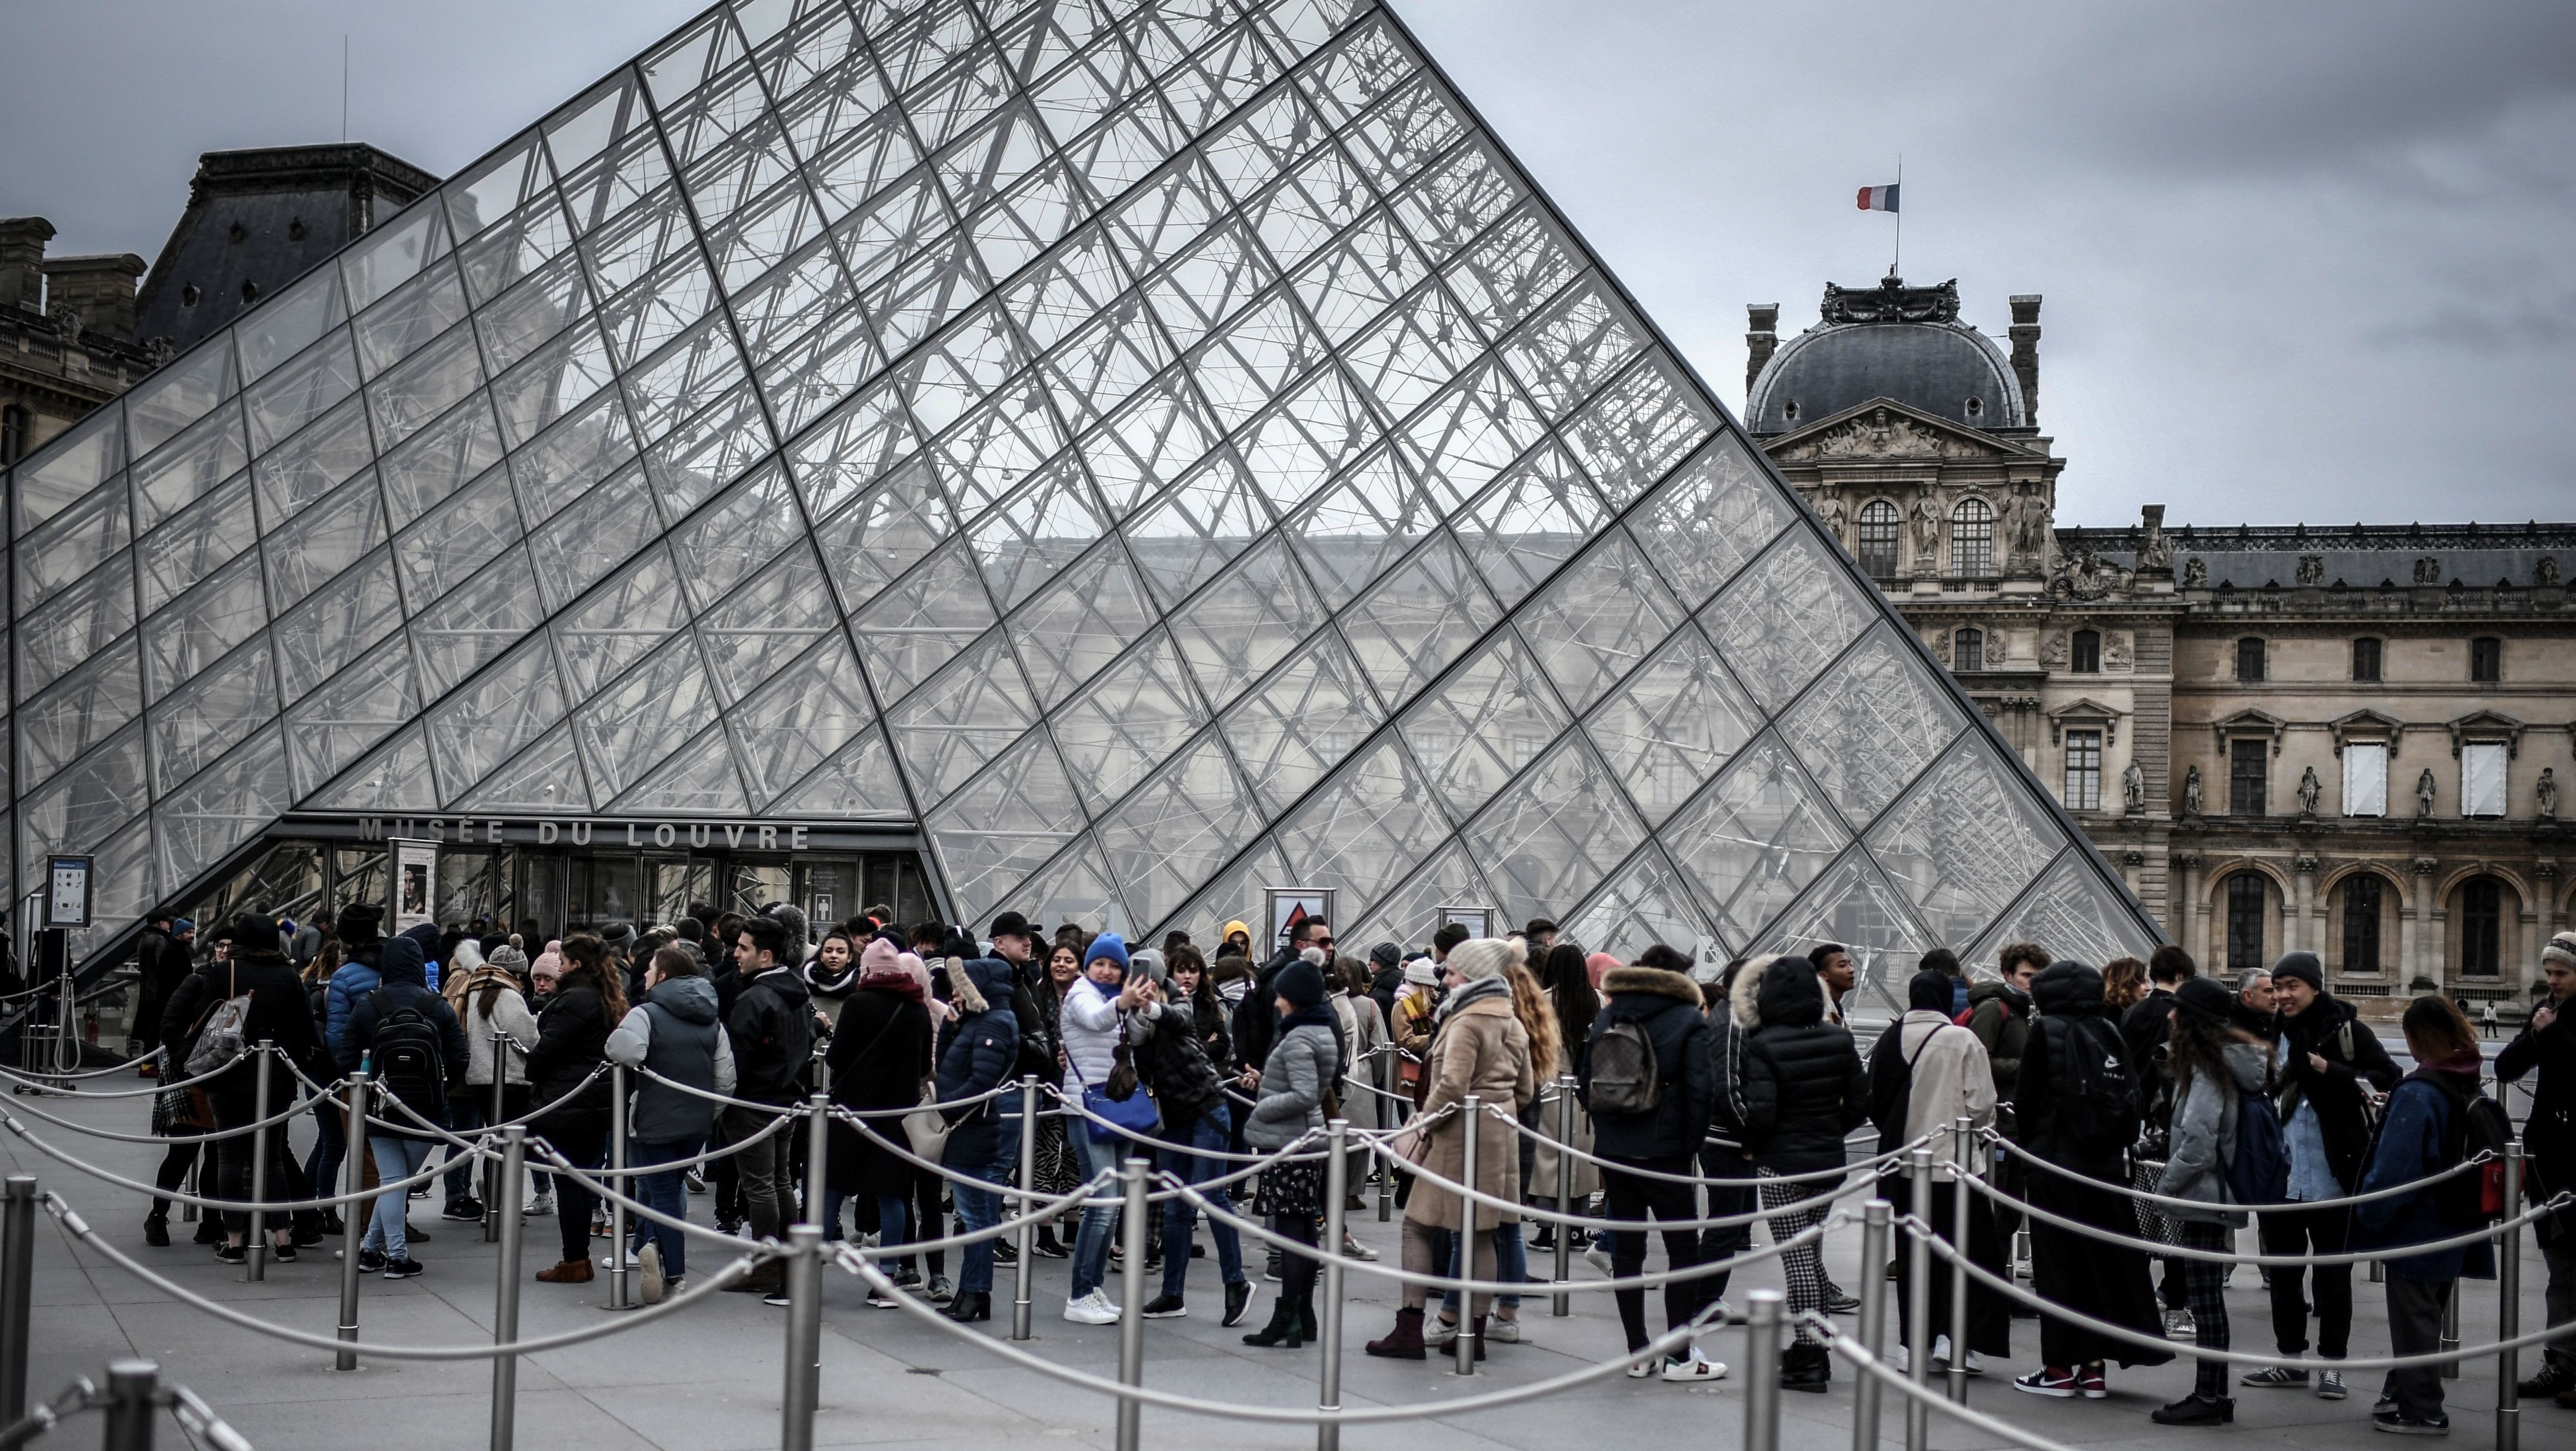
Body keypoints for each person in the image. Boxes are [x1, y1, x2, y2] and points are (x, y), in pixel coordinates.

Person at [2011, 960, 2173, 1399]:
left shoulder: (2046, 1032)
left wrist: (2034, 1152)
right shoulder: (2109, 1030)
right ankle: (2094, 1370)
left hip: (2056, 1166)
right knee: (2098, 1267)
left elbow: (2027, 1100)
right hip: (2105, 1168)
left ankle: (2059, 1368)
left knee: (2058, 1267)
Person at [1366, 938, 1533, 1362]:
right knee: (1479, 1233)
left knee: (1417, 1226)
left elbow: (1452, 1085)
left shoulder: (1465, 1021)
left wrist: (1425, 1124)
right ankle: (1473, 1335)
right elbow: (1527, 1089)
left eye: (1455, 971)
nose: (1446, 977)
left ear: (1474, 977)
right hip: (1498, 1139)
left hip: (1457, 1138)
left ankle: (1409, 1327)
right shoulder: (1512, 1021)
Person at [2248, 951, 2398, 1399]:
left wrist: (2330, 1069)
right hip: (2284, 1174)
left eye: (2293, 984)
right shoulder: (2271, 1031)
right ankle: (2290, 1359)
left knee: (2333, 1276)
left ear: (2315, 986)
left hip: (2335, 1173)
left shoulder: (2348, 1030)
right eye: (2278, 986)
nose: (2284, 994)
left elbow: (2388, 1076)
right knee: (2285, 1274)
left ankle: (2333, 1364)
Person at [2355, 995, 2499, 1435]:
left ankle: (2424, 1410)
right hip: (2457, 1220)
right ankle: (2401, 1392)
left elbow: (2396, 1169)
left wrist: (2369, 1215)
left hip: (2419, 1224)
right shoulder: (2465, 1078)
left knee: (2414, 1316)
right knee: (2427, 1313)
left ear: (2417, 1038)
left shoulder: (2419, 1091)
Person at [1582, 947, 1722, 1381]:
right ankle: (1680, 1355)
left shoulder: (1610, 1014)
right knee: (1683, 1250)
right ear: (1681, 977)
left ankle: (1637, 1351)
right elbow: (1702, 1089)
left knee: (1628, 1251)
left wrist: (1607, 1133)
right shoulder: (1687, 1018)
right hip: (1666, 1153)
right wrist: (1689, 1144)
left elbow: (1585, 1077)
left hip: (1615, 1151)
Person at [1738, 952, 1868, 1391]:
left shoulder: (1765, 1044)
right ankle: (1811, 1348)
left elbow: (1762, 1112)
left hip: (1781, 1167)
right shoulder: (1839, 1041)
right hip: (1828, 1163)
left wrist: (1753, 1149)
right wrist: (1831, 1130)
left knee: (1797, 1262)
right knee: (1809, 1254)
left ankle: (1811, 1356)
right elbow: (1859, 1104)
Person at [1871, 968, 2007, 1375]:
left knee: (1913, 1256)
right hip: (1956, 1165)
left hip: (1904, 1165)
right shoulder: (1962, 1039)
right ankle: (1954, 1338)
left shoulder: (1890, 1036)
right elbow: (1982, 1103)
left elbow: (1874, 1099)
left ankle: (1911, 1344)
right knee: (1962, 1253)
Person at [2150, 976, 2271, 1425]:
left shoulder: (2207, 1067)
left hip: (2203, 1194)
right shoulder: (2221, 1060)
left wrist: (2166, 1187)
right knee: (2207, 1299)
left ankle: (2209, 1395)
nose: (2169, 1015)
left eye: (2177, 1009)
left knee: (2205, 1300)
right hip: (2214, 1192)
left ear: (2192, 1019)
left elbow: (2199, 1143)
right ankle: (2213, 1394)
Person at [1125, 952, 1254, 1327]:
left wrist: (1152, 1007)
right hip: (1174, 1115)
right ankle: (1172, 1293)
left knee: (1209, 1195)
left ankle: (1237, 1283)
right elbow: (1131, 1039)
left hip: (1205, 1107)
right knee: (1176, 1206)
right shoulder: (1128, 1004)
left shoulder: (1173, 998)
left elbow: (1179, 1017)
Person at [191, 915, 328, 1261]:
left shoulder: (223, 973)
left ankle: (236, 1240)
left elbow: (198, 1022)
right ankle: (283, 1237)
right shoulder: (288, 977)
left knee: (230, 1158)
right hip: (277, 1077)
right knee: (272, 1158)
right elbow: (306, 1031)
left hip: (228, 1075)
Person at [604, 946, 736, 1302]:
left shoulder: (645, 1013)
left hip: (652, 1119)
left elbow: (624, 1052)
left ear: (662, 975)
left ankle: (674, 1273)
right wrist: (706, 1113)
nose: (643, 975)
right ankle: (646, 1243)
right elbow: (726, 1080)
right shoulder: (713, 1019)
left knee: (660, 1193)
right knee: (660, 1187)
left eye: (649, 970)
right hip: (696, 1124)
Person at [343, 931, 470, 1279]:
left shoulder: (370, 1004)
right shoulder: (436, 1005)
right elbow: (460, 1057)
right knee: (398, 1180)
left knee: (393, 1179)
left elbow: (344, 1055)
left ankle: (373, 1251)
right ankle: (393, 1256)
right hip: (425, 1109)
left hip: (379, 1106)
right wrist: (440, 1085)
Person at [1240, 957, 1342, 1349]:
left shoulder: (1298, 1037)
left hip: (1290, 1142)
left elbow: (1303, 1094)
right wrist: (1267, 1080)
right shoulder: (1318, 1031)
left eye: (1282, 993)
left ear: (1295, 997)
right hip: (1306, 1140)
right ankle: (1303, 1314)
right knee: (1303, 1230)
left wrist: (1262, 1104)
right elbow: (1309, 1086)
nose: (1276, 1000)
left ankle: (1287, 1318)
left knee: (1289, 1233)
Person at [2499, 931, 2576, 1404]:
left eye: (2562, 973)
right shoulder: (2549, 1015)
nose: (2552, 981)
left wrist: (2554, 1033)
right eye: (2549, 972)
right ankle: (2561, 1363)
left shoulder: (2561, 1024)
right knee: (2560, 1269)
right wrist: (2535, 1031)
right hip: (2551, 1160)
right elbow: (2507, 1067)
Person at [825, 939, 932, 1277]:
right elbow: (922, 1066)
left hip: (850, 1111)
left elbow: (836, 1056)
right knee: (892, 1194)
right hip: (897, 1114)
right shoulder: (917, 1008)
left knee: (831, 1188)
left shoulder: (858, 1003)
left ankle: (811, 1272)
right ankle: (888, 1273)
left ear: (867, 968)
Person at [936, 952, 1022, 1323]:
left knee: (976, 1217)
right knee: (975, 1215)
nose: (954, 991)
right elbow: (945, 1065)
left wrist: (946, 1108)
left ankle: (975, 1291)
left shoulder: (994, 1022)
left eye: (960, 984)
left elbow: (982, 1081)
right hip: (968, 1127)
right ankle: (971, 1290)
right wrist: (951, 1026)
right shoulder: (979, 1020)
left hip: (973, 1128)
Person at [528, 935, 620, 1282]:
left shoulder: (576, 1000)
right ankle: (577, 1257)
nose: (558, 965)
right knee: (582, 1177)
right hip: (590, 1098)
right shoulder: (602, 995)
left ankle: (575, 1259)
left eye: (563, 961)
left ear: (576, 965)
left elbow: (551, 1046)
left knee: (570, 1182)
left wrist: (532, 1065)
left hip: (570, 1099)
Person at [2124, 944, 2198, 1336]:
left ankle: (2135, 1298)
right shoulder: (2181, 1017)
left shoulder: (2133, 1011)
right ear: (2183, 976)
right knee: (2174, 1219)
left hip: (2134, 1124)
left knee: (2137, 1218)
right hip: (2168, 1124)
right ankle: (2177, 1306)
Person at [1059, 933, 1133, 1324]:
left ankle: (1093, 1285)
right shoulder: (1081, 994)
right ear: (1088, 966)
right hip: (1086, 1107)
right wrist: (1124, 1002)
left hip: (1115, 1107)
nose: (1107, 970)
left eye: (1115, 965)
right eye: (1101, 963)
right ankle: (1079, 1293)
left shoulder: (1117, 997)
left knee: (1113, 1202)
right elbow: (1093, 1019)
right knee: (1102, 1204)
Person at [437, 942, 538, 1222]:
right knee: (509, 1144)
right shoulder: (506, 993)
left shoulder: (472, 987)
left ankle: (493, 1201)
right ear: (517, 972)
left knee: (495, 1141)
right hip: (508, 1076)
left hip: (479, 1075)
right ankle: (500, 1204)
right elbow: (527, 1036)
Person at [802, 929, 861, 1029]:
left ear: (849, 958)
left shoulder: (858, 986)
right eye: (829, 951)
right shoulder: (803, 984)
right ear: (821, 956)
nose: (834, 956)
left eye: (841, 952)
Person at [1809, 942, 1855, 1026]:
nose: (1851, 970)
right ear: (1823, 976)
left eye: (1851, 964)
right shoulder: (1819, 1015)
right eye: (1842, 965)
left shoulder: (1837, 1009)